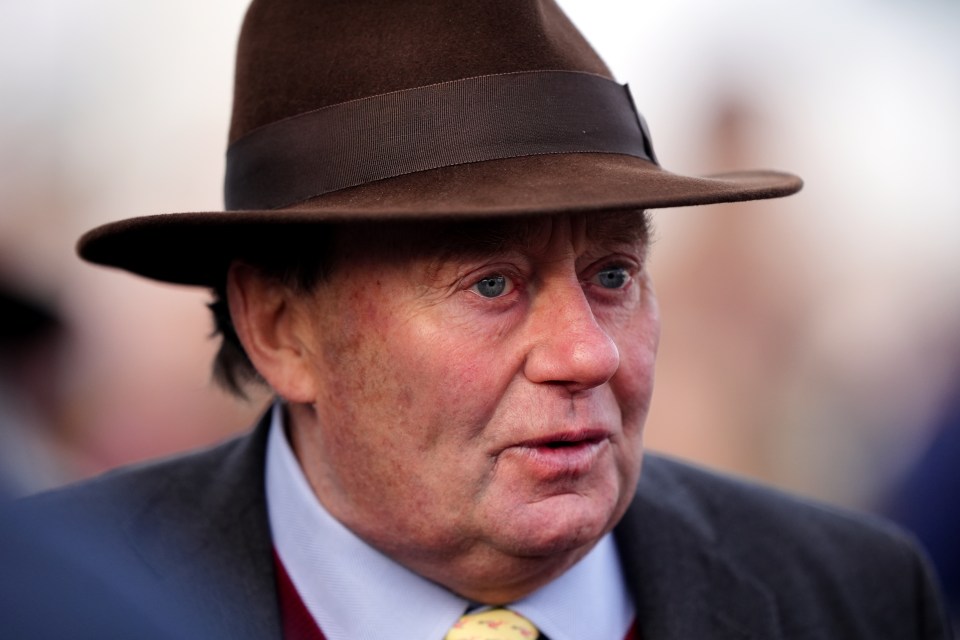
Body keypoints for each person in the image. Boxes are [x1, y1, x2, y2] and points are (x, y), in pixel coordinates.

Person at [25, 0, 951, 638]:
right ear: (279, 325)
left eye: (615, 273)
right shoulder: (44, 600)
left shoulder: (855, 597)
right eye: (491, 285)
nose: (586, 353)